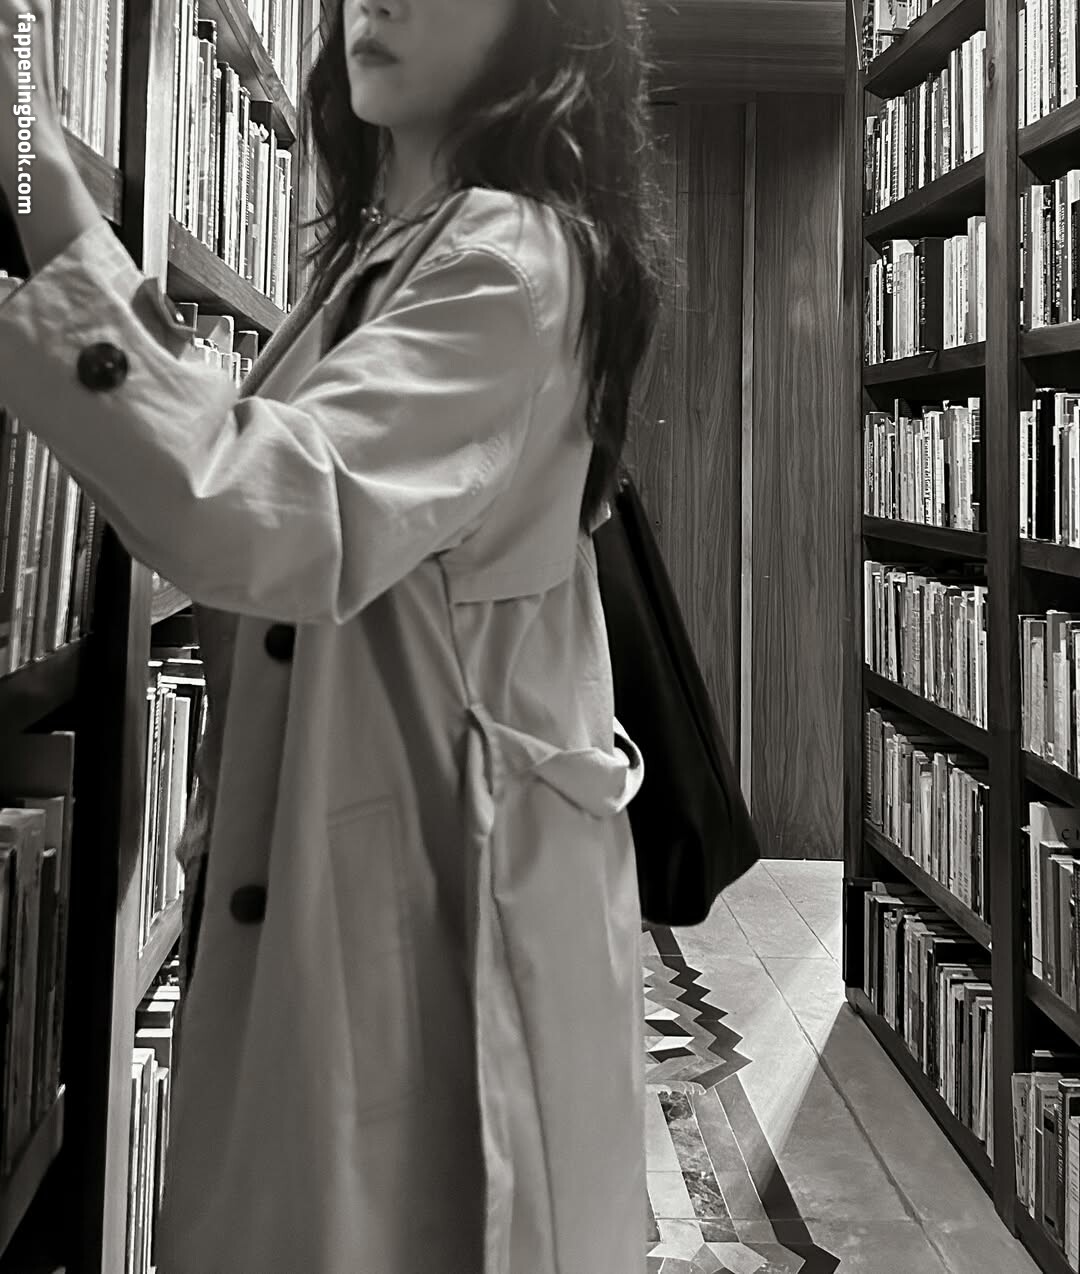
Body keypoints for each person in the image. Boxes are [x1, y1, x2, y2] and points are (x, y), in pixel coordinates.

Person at [0, 0, 667, 1267]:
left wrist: (35, 161)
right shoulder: (394, 249)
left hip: (426, 945)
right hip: (367, 907)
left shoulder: (508, 260)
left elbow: (243, 501)